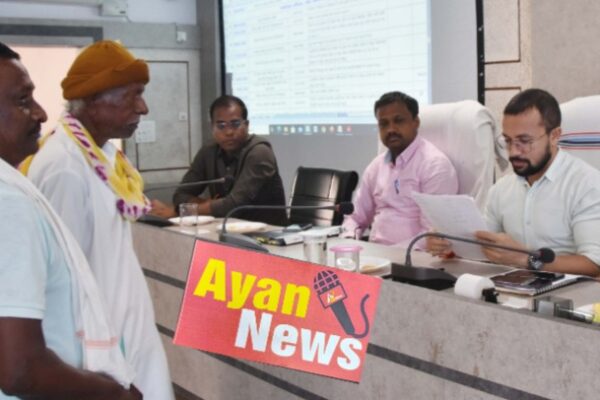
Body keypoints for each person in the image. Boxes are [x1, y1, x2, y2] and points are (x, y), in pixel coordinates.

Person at [27, 40, 174, 398]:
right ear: (93, 99)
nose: (143, 107)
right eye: (133, 95)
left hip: (127, 331)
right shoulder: (65, 167)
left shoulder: (105, 154)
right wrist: (103, 376)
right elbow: (65, 286)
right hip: (99, 353)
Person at [0, 42, 142, 399]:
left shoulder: (104, 157)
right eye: (22, 100)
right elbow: (20, 369)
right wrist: (113, 394)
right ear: (94, 100)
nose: (41, 112)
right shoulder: (16, 197)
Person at [427, 89, 600, 276]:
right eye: (508, 141)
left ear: (554, 136)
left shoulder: (587, 185)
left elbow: (594, 264)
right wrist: (451, 246)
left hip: (571, 291)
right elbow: (482, 246)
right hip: (512, 285)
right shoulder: (502, 189)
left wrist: (526, 259)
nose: (514, 152)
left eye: (524, 141)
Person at [341, 91, 459, 245]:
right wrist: (349, 240)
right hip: (374, 253)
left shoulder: (434, 166)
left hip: (413, 256)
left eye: (398, 120)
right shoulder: (376, 167)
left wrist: (392, 254)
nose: (391, 129)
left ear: (415, 122)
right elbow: (355, 217)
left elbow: (431, 236)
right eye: (384, 123)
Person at [150, 95, 287, 225]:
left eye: (235, 124)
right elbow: (180, 195)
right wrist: (208, 205)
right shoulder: (209, 151)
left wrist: (180, 212)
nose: (228, 132)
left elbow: (233, 206)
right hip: (223, 229)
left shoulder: (259, 153)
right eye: (221, 126)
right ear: (212, 128)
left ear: (246, 125)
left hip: (267, 233)